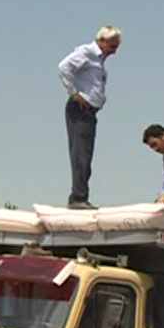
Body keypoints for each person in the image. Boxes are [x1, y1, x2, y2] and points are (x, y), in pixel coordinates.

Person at [58, 24, 122, 210]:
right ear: (102, 41)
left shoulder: (99, 60)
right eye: (112, 47)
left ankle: (80, 195)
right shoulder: (87, 53)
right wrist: (74, 93)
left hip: (89, 111)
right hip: (80, 109)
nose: (114, 52)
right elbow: (63, 67)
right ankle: (78, 197)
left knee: (86, 154)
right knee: (81, 153)